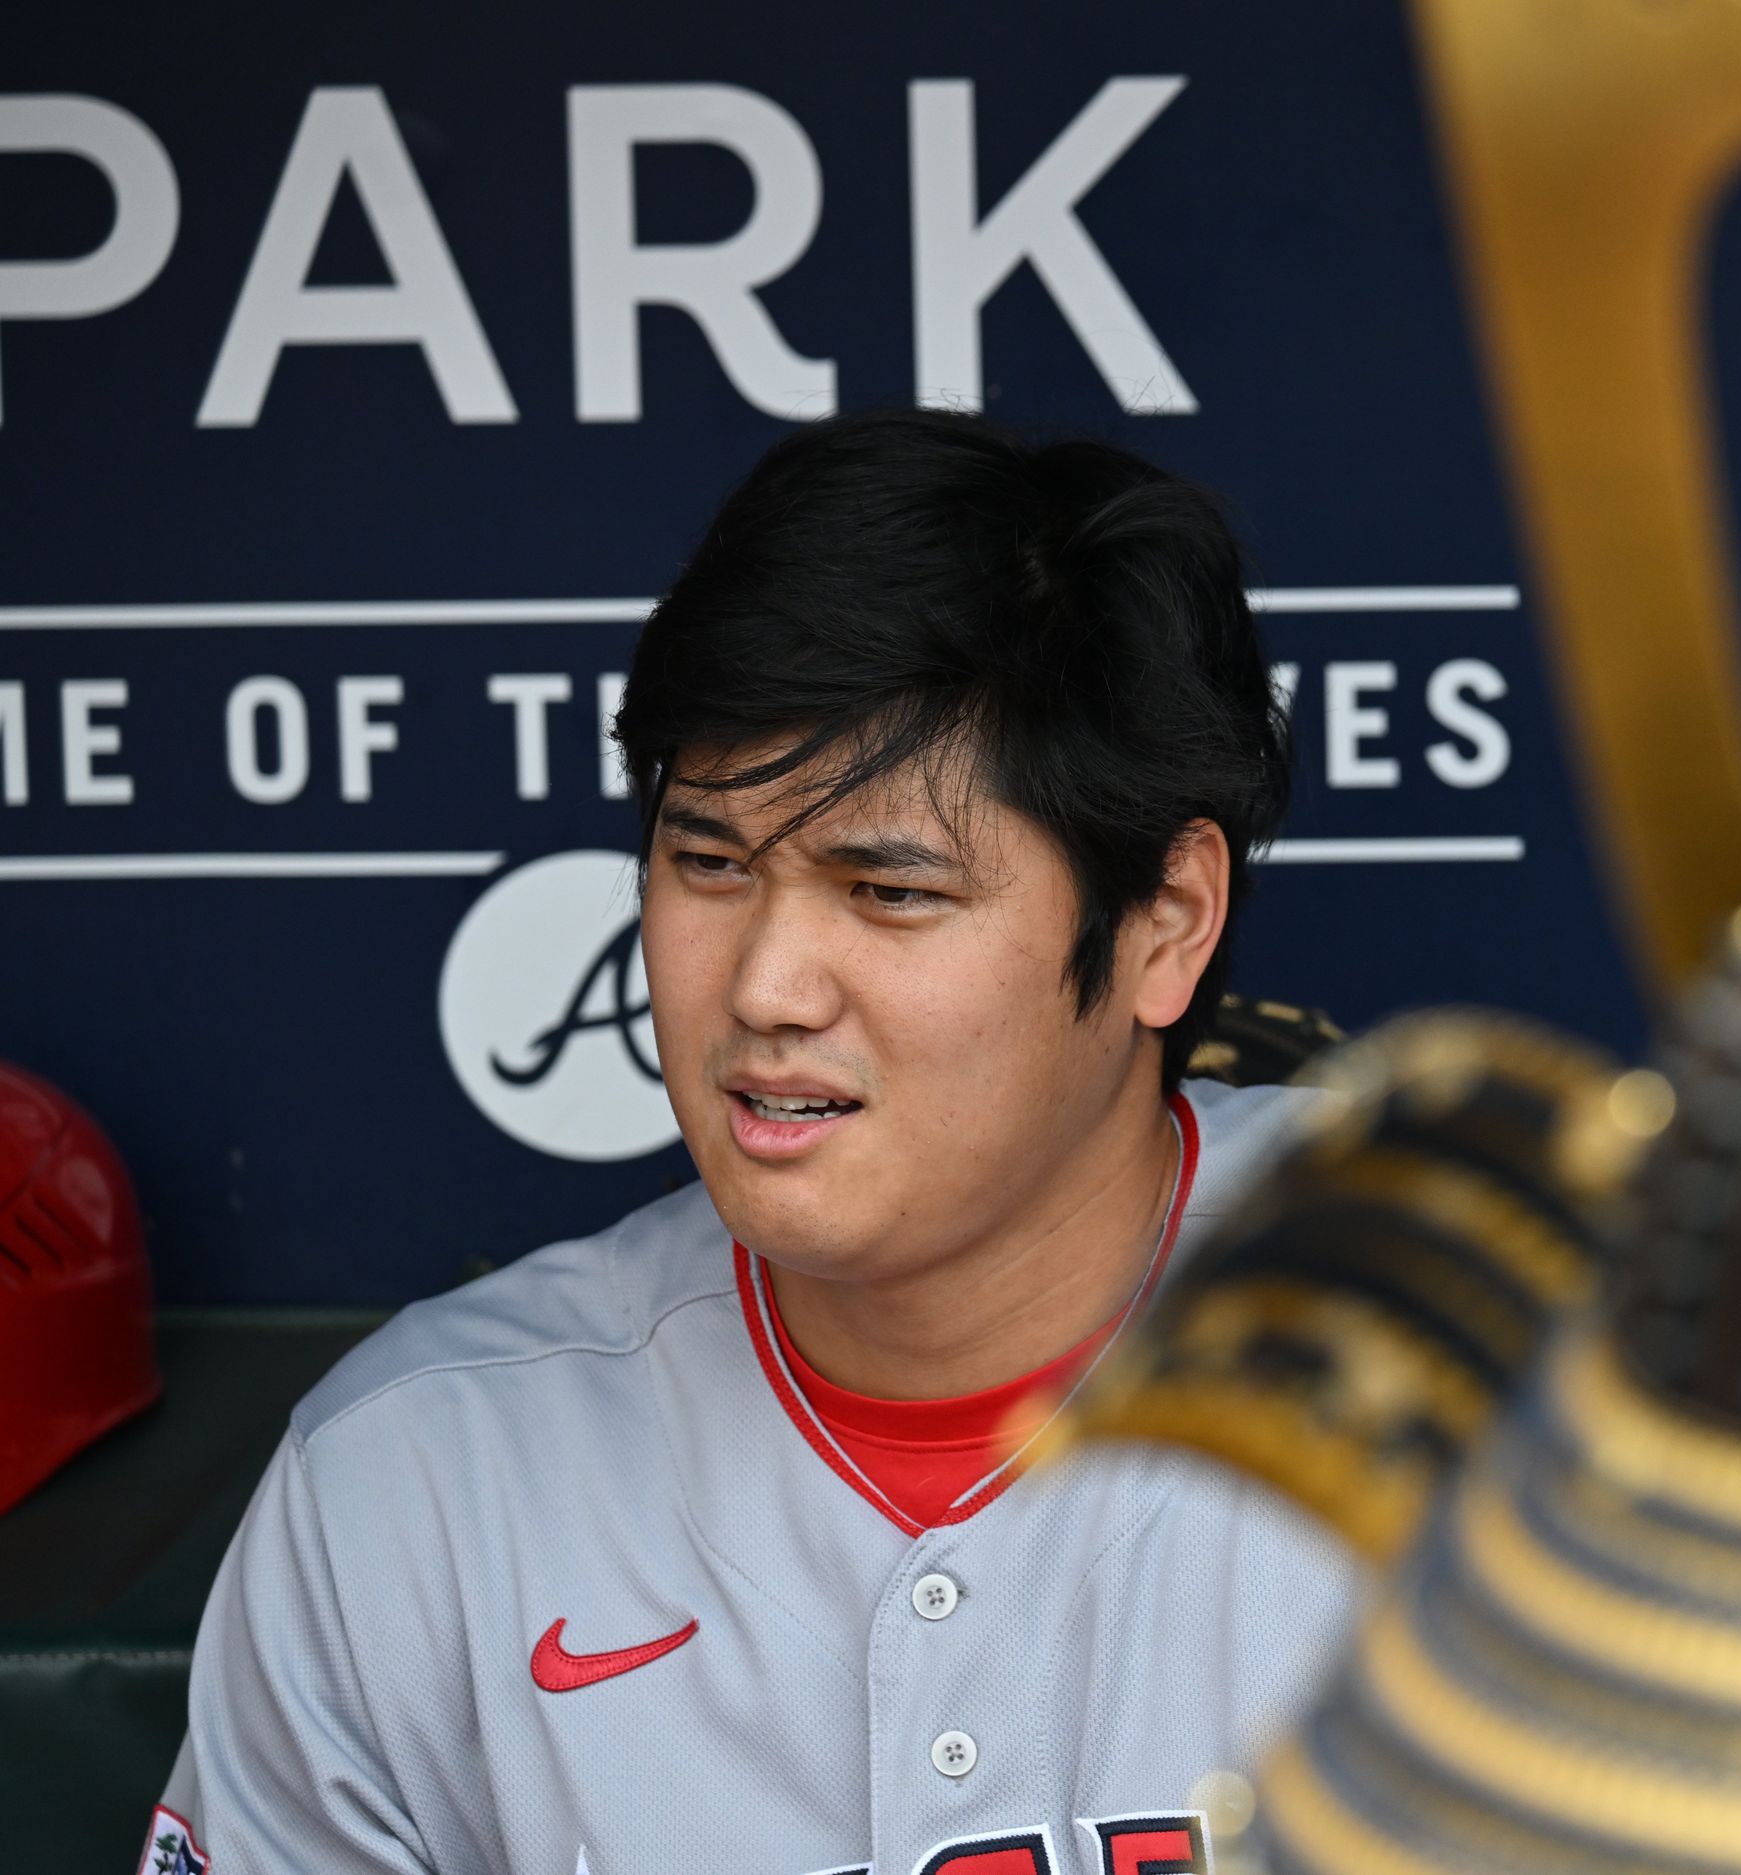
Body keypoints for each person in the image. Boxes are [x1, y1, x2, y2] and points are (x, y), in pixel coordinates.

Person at [147, 410, 1364, 1875]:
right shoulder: (416, 1485)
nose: (766, 989)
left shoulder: (1524, 1368)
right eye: (709, 864)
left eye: (889, 891)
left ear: (1165, 923)